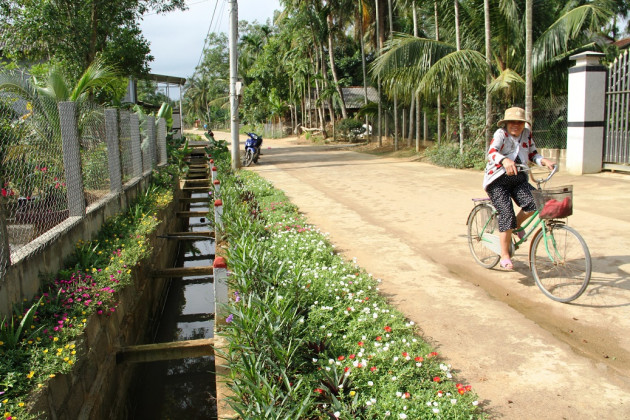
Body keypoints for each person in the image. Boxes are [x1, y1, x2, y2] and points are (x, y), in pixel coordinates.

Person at [483, 107, 555, 270]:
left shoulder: (526, 134)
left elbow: (532, 154)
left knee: (535, 203)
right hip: (497, 181)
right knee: (506, 213)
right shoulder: (500, 134)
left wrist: (543, 161)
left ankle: (514, 226)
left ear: (523, 124)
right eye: (512, 122)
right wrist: (504, 161)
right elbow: (492, 153)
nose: (516, 125)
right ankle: (505, 255)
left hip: (518, 178)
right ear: (507, 123)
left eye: (519, 122)